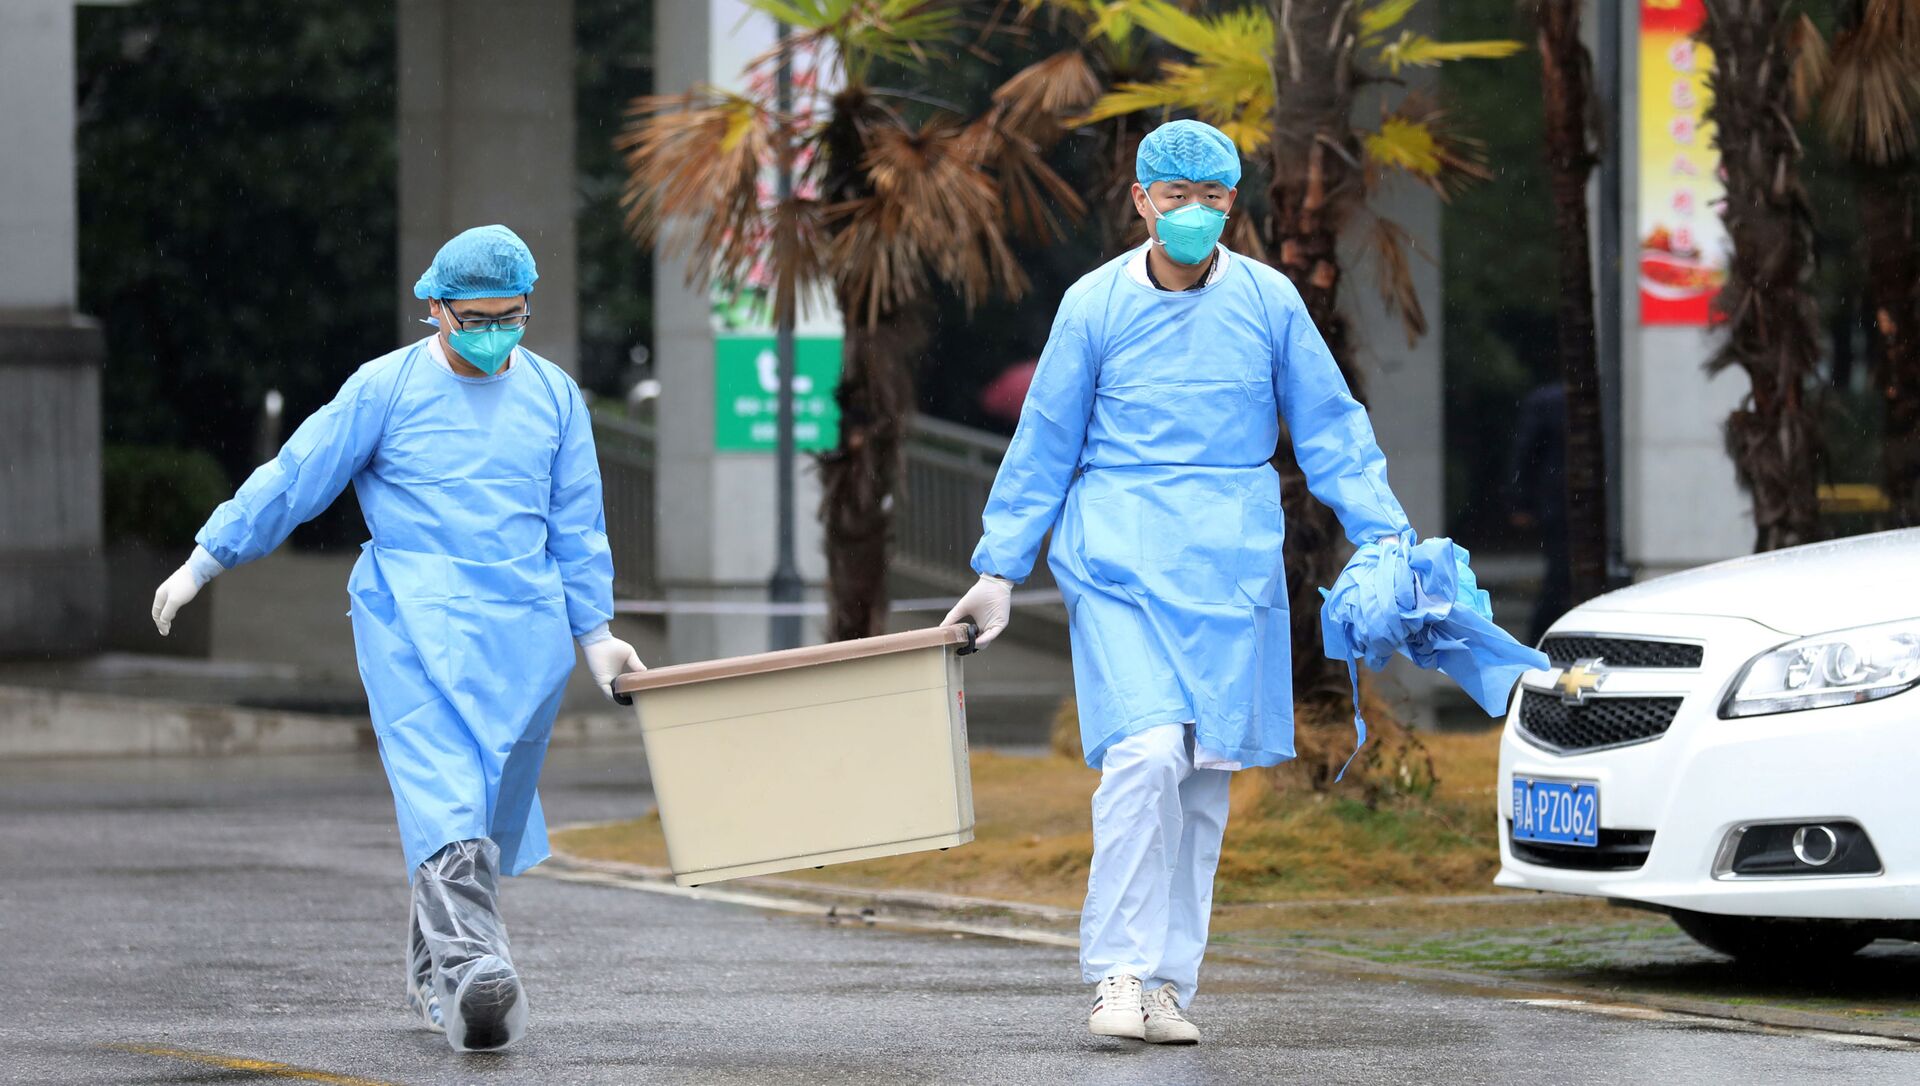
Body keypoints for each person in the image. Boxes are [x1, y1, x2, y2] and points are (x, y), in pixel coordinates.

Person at [943, 119, 1417, 1045]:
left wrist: (1386, 534)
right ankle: (1116, 972)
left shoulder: (1270, 301)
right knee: (1148, 752)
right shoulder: (1093, 305)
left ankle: (1166, 984)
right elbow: (1045, 440)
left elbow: (1331, 426)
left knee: (1203, 779)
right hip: (1116, 556)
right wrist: (999, 566)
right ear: (1141, 200)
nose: (1193, 211)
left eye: (1211, 197)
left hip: (1230, 564)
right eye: (1176, 196)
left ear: (1232, 203)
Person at [147, 224, 644, 1053]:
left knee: (481, 811)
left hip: (523, 633)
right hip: (413, 620)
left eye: (510, 317)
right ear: (436, 309)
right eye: (477, 319)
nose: (495, 335)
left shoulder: (556, 397)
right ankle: (477, 972)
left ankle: (432, 973)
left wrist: (595, 633)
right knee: (443, 798)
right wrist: (208, 557)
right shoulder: (385, 388)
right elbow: (297, 475)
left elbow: (577, 524)